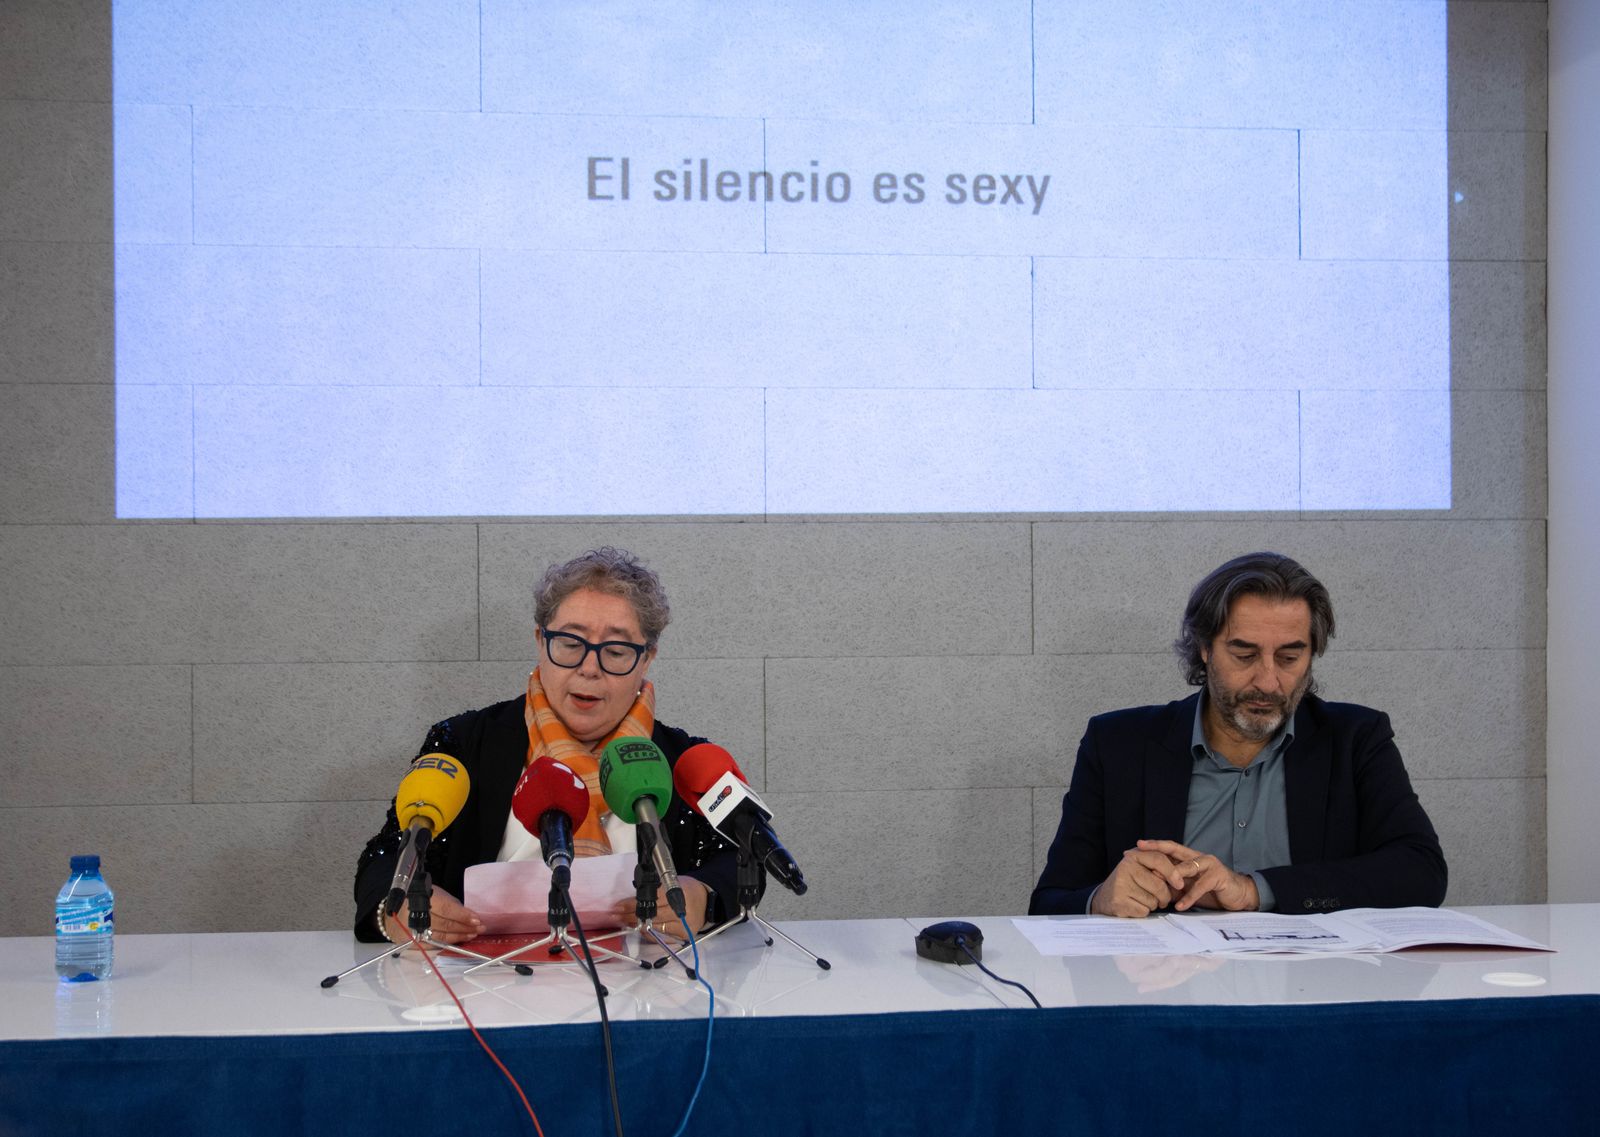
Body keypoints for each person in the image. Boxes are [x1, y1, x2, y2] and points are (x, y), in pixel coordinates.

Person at [353, 547, 750, 944]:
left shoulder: (684, 758)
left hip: (646, 985)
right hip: (484, 980)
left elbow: (744, 856)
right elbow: (386, 855)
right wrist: (400, 907)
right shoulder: (463, 742)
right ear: (541, 641)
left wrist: (703, 897)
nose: (590, 668)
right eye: (570, 643)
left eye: (615, 651)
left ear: (646, 659)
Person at [1030, 551, 1447, 918]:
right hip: (1164, 991)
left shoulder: (1356, 739)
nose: (1268, 681)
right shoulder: (1118, 744)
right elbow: (1049, 903)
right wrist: (1101, 898)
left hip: (1315, 986)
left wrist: (1252, 890)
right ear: (1204, 647)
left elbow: (1421, 872)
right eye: (1244, 654)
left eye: (1289, 656)